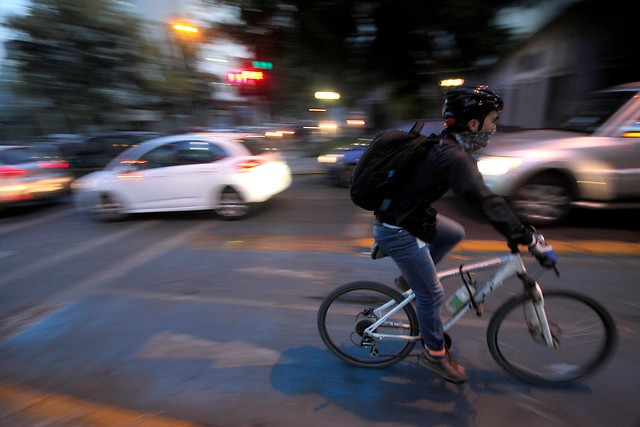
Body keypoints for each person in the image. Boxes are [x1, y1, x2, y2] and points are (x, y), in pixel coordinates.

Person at [372, 85, 557, 384]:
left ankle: (411, 278)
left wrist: (519, 229)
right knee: (432, 295)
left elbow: (486, 197)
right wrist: (528, 239)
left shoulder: (450, 147)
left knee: (453, 232)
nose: (494, 127)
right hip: (397, 228)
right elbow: (486, 202)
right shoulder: (452, 156)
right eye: (492, 120)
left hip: (409, 216)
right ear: (473, 124)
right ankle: (433, 356)